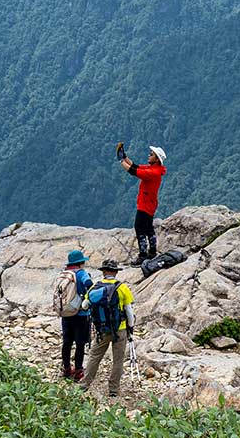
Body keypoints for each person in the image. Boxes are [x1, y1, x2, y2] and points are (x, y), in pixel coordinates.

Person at [84, 258, 135, 400]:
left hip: (102, 329)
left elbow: (85, 305)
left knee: (94, 356)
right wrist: (131, 327)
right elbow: (129, 311)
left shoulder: (95, 287)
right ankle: (113, 389)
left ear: (104, 272)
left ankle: (85, 384)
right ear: (115, 272)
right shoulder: (122, 288)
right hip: (120, 329)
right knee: (118, 360)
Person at [117, 142, 168, 262]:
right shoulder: (154, 169)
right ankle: (152, 251)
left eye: (151, 154)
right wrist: (124, 157)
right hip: (150, 203)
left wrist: (120, 161)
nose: (149, 155)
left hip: (145, 204)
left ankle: (143, 254)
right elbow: (135, 166)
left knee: (139, 227)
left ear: (156, 159)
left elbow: (133, 171)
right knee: (148, 227)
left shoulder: (153, 173)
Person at [53, 249, 93, 381]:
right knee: (80, 343)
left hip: (66, 313)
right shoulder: (81, 274)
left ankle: (66, 368)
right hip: (80, 314)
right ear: (81, 262)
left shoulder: (64, 274)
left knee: (67, 342)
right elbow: (89, 284)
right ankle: (78, 370)